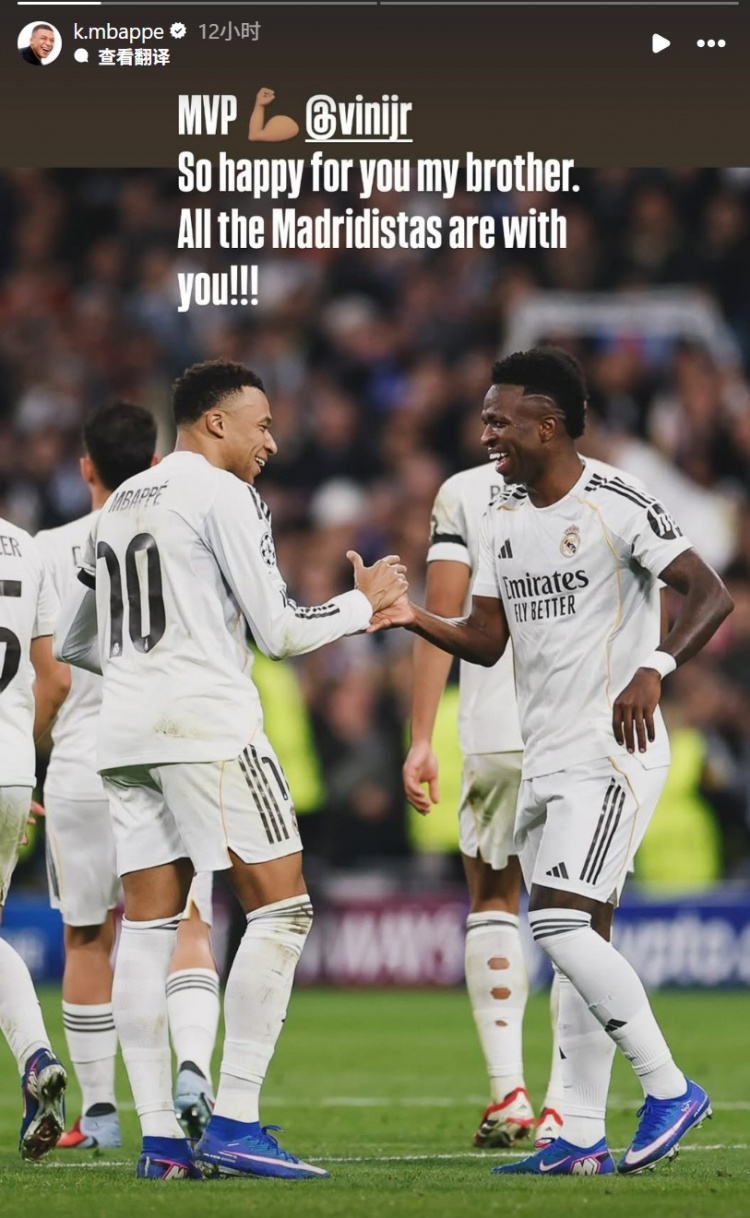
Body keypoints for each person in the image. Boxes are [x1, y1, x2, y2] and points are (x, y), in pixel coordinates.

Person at [373, 347, 733, 1176]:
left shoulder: (617, 501)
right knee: (580, 938)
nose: (486, 433)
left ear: (549, 425)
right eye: (485, 419)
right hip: (544, 754)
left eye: (500, 420)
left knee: (558, 923)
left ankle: (670, 1087)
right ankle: (579, 1134)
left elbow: (709, 592)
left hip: (611, 752)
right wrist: (409, 616)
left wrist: (657, 667)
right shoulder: (500, 514)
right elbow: (486, 639)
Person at [55, 358, 407, 1181]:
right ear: (216, 422)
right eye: (262, 425)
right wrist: (364, 604)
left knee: (146, 930)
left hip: (124, 735)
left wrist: (145, 669)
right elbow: (280, 632)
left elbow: (75, 641)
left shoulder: (120, 504)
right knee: (282, 909)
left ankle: (161, 1144)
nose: (272, 443)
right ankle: (238, 1119)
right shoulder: (224, 494)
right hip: (207, 728)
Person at [404, 445, 659, 1151]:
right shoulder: (610, 492)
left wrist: (421, 736)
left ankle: (507, 1092)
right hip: (580, 727)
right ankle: (561, 1108)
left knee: (492, 899)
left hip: (493, 730)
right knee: (583, 921)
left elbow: (443, 612)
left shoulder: (463, 492)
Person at [36, 403, 220, 1151]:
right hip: (167, 750)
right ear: (153, 465)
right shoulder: (181, 526)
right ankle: (192, 1067)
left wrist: (34, 760)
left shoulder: (50, 549)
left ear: (86, 466)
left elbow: (51, 675)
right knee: (185, 924)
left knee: (87, 936)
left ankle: (102, 1114)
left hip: (82, 762)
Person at [0, 513, 70, 1159]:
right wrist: (17, 773)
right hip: (12, 768)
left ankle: (34, 1058)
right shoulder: (25, 547)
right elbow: (56, 677)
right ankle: (36, 1059)